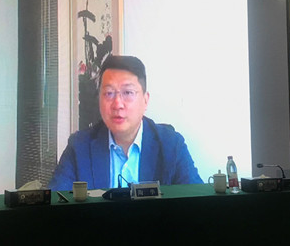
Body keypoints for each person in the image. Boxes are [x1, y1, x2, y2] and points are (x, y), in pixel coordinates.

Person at [49, 55, 202, 190]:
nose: (117, 104)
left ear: (145, 100)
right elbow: (55, 203)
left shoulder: (171, 145)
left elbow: (197, 202)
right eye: (109, 93)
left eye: (128, 92)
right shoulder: (79, 146)